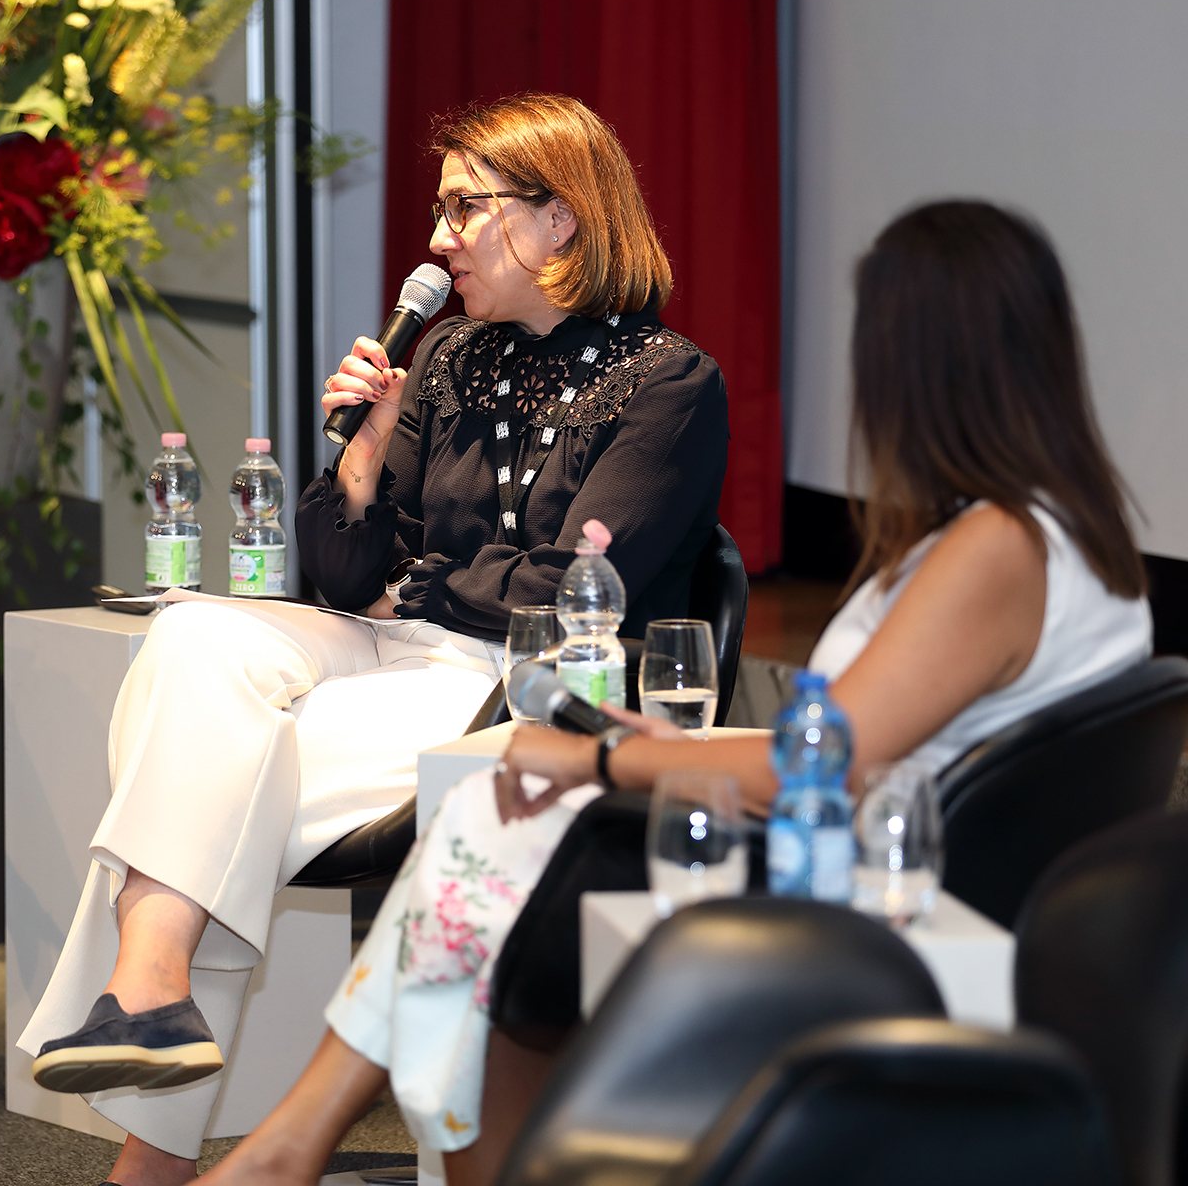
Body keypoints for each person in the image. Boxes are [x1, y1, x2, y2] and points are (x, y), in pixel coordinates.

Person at [202, 198, 1153, 1185]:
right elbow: (854, 746)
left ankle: (292, 1145)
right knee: (499, 835)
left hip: (866, 888)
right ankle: (310, 1144)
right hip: (870, 851)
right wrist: (636, 744)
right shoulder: (1049, 532)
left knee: (497, 829)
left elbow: (826, 764)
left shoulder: (996, 549)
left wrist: (607, 755)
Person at [17, 92, 728, 1186]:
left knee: (213, 786)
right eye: (441, 211)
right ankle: (148, 987)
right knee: (196, 640)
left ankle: (147, 1128)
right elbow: (345, 578)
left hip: (528, 684)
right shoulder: (444, 359)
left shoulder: (668, 381)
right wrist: (362, 459)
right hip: (399, 645)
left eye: (465, 208)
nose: (438, 241)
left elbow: (574, 591)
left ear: (560, 218)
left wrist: (422, 580)